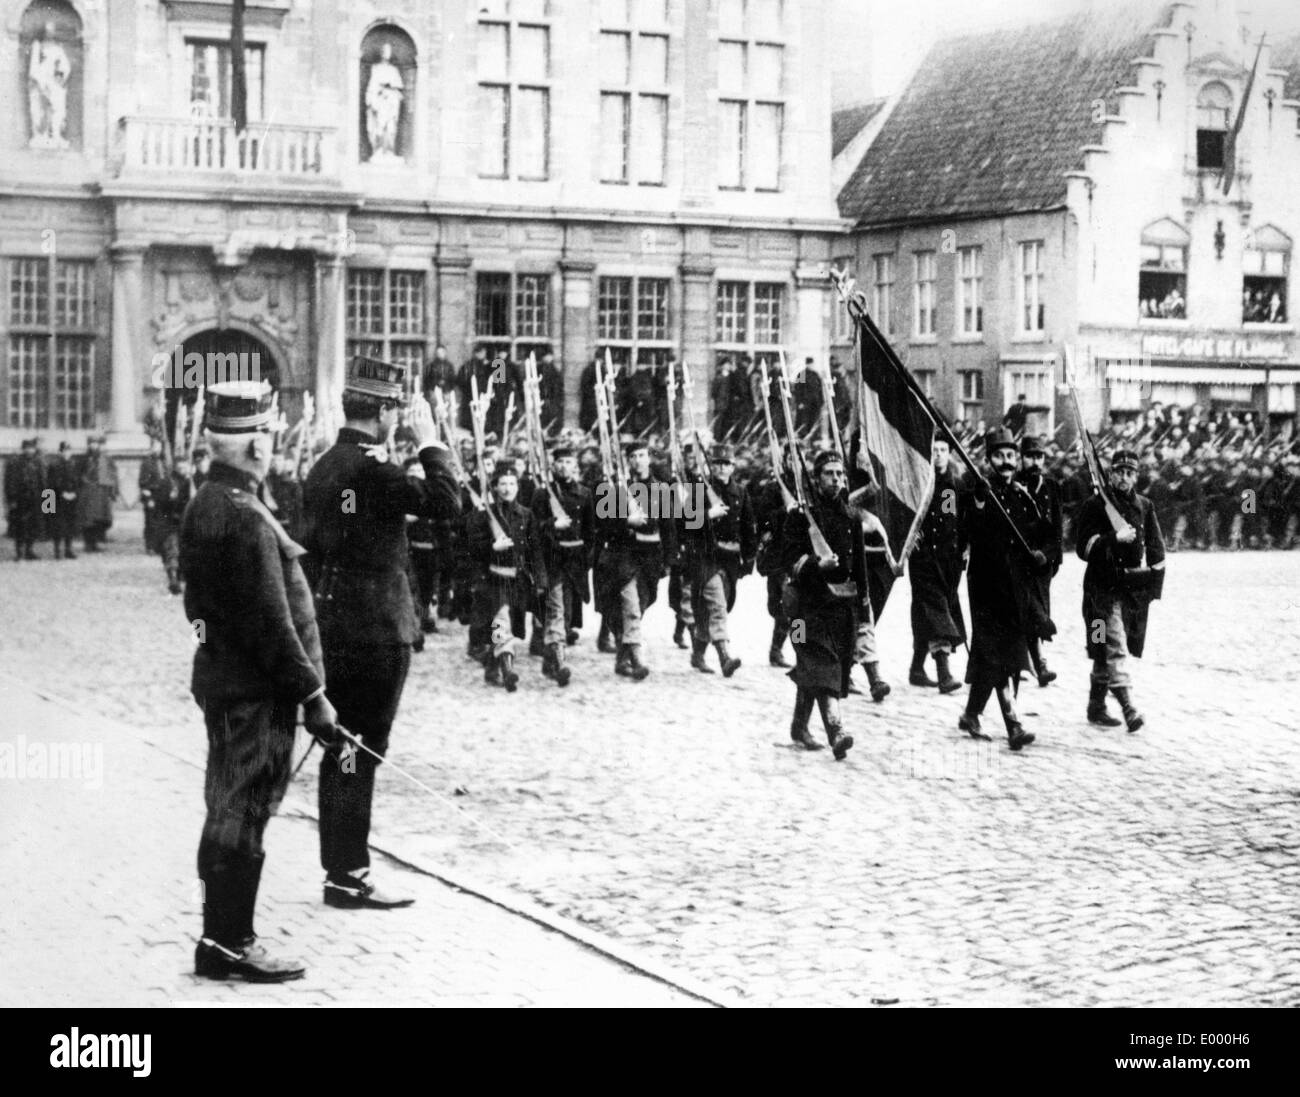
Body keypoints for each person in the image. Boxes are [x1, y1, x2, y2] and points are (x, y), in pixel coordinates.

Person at [181, 380, 339, 982]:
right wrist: (315, 698)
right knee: (244, 809)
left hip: (225, 684)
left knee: (227, 803)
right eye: (268, 435)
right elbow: (275, 624)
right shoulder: (245, 517)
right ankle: (229, 942)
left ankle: (220, 939)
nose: (272, 445)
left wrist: (213, 650)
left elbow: (196, 610)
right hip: (254, 693)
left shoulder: (206, 504)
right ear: (252, 448)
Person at [301, 356, 460, 909]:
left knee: (341, 748)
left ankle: (341, 871)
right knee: (363, 748)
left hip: (335, 626)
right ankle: (348, 876)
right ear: (387, 412)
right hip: (375, 630)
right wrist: (432, 445)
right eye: (397, 410)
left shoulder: (326, 465)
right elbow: (447, 502)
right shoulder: (373, 470)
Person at [957, 428, 1052, 751]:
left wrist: (1041, 556)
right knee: (999, 654)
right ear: (988, 459)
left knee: (1000, 655)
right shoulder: (976, 492)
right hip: (986, 587)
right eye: (999, 456)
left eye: (1011, 455)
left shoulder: (1022, 495)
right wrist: (981, 502)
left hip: (1015, 587)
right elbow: (968, 529)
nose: (1007, 462)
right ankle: (1013, 723)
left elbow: (1040, 534)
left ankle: (971, 714)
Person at [779, 450, 867, 760]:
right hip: (803, 613)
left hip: (841, 608)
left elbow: (860, 567)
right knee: (821, 662)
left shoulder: (850, 516)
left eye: (840, 474)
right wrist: (818, 564)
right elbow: (788, 560)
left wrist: (864, 608)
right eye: (829, 473)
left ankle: (799, 727)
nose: (837, 479)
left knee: (820, 667)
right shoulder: (801, 515)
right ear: (817, 478)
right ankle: (836, 729)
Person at [1075, 449, 1166, 732]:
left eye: (1130, 473)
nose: (1124, 478)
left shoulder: (1145, 505)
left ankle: (1096, 705)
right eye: (1119, 472)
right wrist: (1114, 537)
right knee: (1113, 643)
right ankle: (1129, 707)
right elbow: (1083, 548)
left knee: (1104, 646)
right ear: (1111, 474)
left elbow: (1156, 548)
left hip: (1128, 591)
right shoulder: (1095, 505)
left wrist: (1152, 590)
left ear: (1136, 476)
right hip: (1099, 592)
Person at [594, 438, 676, 680]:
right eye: (632, 456)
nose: (637, 460)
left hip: (651, 559)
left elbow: (669, 526)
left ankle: (622, 657)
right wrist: (626, 521)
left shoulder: (661, 488)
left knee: (640, 603)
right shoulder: (617, 487)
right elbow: (603, 524)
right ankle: (638, 657)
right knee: (630, 606)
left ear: (649, 458)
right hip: (624, 554)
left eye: (641, 455)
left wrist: (670, 560)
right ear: (627, 461)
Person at [682, 443, 755, 676]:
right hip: (705, 556)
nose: (722, 468)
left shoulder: (741, 492)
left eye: (727, 464)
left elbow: (747, 527)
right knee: (717, 605)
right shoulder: (698, 489)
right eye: (717, 463)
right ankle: (725, 656)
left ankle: (698, 654)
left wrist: (749, 558)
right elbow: (685, 523)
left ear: (733, 467)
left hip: (730, 559)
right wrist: (707, 515)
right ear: (710, 465)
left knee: (708, 609)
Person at [468, 463, 537, 690]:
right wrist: (492, 548)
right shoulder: (484, 514)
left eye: (512, 484)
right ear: (495, 487)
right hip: (493, 581)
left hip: (516, 581)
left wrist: (540, 580)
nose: (507, 488)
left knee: (507, 624)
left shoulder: (526, 515)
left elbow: (534, 551)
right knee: (500, 623)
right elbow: (471, 547)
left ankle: (492, 664)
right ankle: (508, 669)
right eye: (502, 484)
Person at [531, 445, 595, 686]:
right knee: (556, 610)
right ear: (553, 466)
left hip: (575, 563)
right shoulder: (541, 494)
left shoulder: (585, 494)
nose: (563, 466)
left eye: (568, 462)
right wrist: (551, 525)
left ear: (575, 466)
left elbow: (590, 532)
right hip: (552, 559)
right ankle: (559, 663)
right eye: (559, 462)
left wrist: (586, 559)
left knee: (566, 615)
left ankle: (549, 662)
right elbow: (531, 529)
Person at [907, 434, 967, 692]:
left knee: (926, 611)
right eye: (935, 450)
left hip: (947, 560)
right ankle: (944, 673)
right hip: (922, 559)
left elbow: (957, 521)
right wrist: (911, 534)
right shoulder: (918, 482)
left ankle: (916, 668)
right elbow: (906, 513)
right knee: (936, 609)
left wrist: (964, 548)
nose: (939, 454)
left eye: (943, 450)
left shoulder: (953, 486)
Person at [1014, 434, 1063, 686]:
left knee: (1037, 610)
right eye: (1030, 457)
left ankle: (1033, 663)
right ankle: (1038, 663)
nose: (1035, 462)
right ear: (1021, 459)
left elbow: (1057, 531)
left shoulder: (1052, 487)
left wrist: (1049, 557)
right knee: (1030, 612)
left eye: (1039, 457)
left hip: (1042, 564)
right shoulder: (1012, 485)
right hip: (1018, 562)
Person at [157, 455, 194, 595]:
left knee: (185, 552)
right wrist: (171, 499)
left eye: (185, 467)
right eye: (180, 467)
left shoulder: (191, 482)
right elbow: (161, 504)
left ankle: (181, 578)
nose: (183, 470)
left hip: (188, 523)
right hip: (171, 523)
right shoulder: (169, 482)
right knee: (172, 551)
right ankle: (173, 579)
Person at [75, 434, 118, 552]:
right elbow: (78, 475)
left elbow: (111, 474)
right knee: (87, 520)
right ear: (88, 445)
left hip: (100, 493)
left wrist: (111, 490)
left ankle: (95, 543)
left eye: (96, 443)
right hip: (87, 493)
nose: (94, 446)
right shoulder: (83, 459)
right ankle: (88, 543)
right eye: (91, 443)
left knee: (98, 520)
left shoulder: (104, 459)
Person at [4, 437, 45, 560]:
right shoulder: (15, 463)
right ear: (23, 449)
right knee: (19, 526)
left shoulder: (39, 462)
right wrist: (11, 500)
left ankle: (29, 551)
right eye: (27, 448)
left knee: (33, 525)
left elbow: (44, 482)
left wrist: (48, 503)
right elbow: (9, 482)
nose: (30, 450)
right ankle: (18, 552)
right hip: (20, 499)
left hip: (35, 498)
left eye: (32, 448)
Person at [48, 440, 79, 559]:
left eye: (69, 451)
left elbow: (76, 481)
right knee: (58, 526)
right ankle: (57, 551)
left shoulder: (73, 464)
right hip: (58, 500)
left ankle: (68, 549)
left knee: (70, 525)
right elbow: (51, 484)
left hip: (71, 499)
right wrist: (62, 493)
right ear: (60, 452)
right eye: (64, 451)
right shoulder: (54, 465)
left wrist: (74, 493)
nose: (67, 453)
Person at [138, 439, 169, 555]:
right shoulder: (146, 463)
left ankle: (159, 546)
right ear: (151, 448)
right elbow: (142, 482)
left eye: (159, 447)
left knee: (162, 521)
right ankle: (150, 546)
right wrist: (148, 497)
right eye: (155, 447)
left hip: (163, 495)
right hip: (151, 494)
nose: (157, 449)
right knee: (150, 521)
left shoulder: (164, 462)